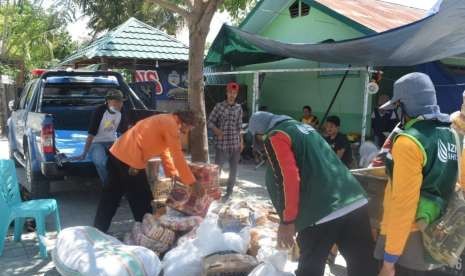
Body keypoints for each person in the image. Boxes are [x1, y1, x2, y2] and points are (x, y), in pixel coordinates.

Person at [248, 111, 378, 276]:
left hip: (321, 211)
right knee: (364, 266)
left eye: (257, 138)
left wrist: (287, 221)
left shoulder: (276, 136)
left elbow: (288, 177)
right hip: (354, 201)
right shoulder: (304, 129)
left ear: (261, 133)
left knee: (310, 269)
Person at [374, 73, 458, 276]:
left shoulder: (408, 142)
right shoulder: (452, 134)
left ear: (404, 105)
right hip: (439, 237)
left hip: (408, 245)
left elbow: (404, 205)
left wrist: (389, 260)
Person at [93, 111, 203, 233]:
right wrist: (192, 182)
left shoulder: (166, 120)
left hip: (117, 153)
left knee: (110, 196)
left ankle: (98, 230)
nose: (188, 132)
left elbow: (165, 152)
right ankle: (150, 234)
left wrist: (172, 174)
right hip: (129, 160)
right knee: (142, 199)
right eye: (190, 128)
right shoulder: (171, 125)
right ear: (186, 122)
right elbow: (177, 155)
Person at [76, 89, 129, 184]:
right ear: (108, 101)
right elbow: (91, 134)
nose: (119, 104)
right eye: (116, 101)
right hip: (96, 142)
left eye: (121, 101)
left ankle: (122, 186)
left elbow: (124, 132)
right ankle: (109, 186)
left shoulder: (122, 111)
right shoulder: (99, 111)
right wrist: (84, 153)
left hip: (112, 141)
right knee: (101, 162)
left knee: (122, 162)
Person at [208, 81, 243, 200]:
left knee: (233, 170)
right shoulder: (219, 106)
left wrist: (241, 142)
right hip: (221, 145)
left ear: (237, 94)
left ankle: (229, 192)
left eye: (234, 93)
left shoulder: (239, 108)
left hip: (235, 144)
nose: (232, 95)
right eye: (230, 92)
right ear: (226, 93)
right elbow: (210, 122)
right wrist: (217, 130)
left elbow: (239, 127)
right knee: (217, 170)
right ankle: (214, 192)